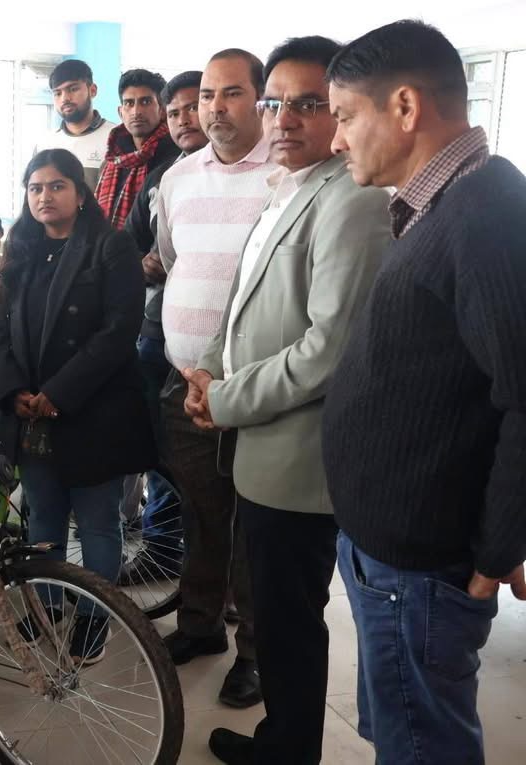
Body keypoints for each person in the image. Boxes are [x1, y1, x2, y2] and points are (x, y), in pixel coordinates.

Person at [179, 37, 393, 765]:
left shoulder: (352, 200)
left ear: (341, 111)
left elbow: (329, 349)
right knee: (274, 613)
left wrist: (228, 399)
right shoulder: (288, 188)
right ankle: (285, 738)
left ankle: (290, 749)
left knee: (289, 620)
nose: (284, 118)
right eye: (275, 102)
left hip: (301, 461)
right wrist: (208, 371)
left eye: (307, 103)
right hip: (261, 447)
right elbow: (244, 304)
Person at [322, 20, 526, 764]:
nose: (336, 139)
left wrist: (500, 544)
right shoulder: (443, 205)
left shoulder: (486, 213)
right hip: (388, 549)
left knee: (422, 745)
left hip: (422, 563)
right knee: (401, 730)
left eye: (345, 116)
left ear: (405, 106)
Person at [0, 148, 157, 662]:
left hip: (93, 409)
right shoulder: (20, 250)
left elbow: (119, 330)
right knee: (43, 519)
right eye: (35, 188)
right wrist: (14, 391)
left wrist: (58, 394)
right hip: (31, 414)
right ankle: (47, 609)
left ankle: (93, 619)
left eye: (57, 185)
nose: (45, 196)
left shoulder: (111, 246)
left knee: (98, 522)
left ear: (80, 194)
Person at [153, 49, 276, 708]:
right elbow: (174, 259)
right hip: (184, 383)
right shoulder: (177, 178)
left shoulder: (287, 174)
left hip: (257, 390)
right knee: (201, 515)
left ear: (260, 99)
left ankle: (255, 650)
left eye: (231, 93)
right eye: (206, 95)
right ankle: (200, 625)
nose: (214, 108)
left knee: (255, 527)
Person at [124, 69, 210, 582]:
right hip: (157, 335)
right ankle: (163, 550)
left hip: (225, 346)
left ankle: (219, 577)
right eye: (174, 111)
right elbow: (127, 246)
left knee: (214, 469)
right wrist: (141, 263)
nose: (183, 119)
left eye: (191, 107)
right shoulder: (162, 179)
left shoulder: (257, 176)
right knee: (160, 451)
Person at [95, 69, 180, 231]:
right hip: (107, 246)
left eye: (145, 102)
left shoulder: (175, 159)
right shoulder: (110, 162)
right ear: (120, 112)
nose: (136, 111)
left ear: (162, 110)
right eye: (129, 103)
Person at [34, 59, 117, 189]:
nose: (65, 98)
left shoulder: (117, 138)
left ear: (93, 90)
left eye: (73, 89)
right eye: (58, 93)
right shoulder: (45, 145)